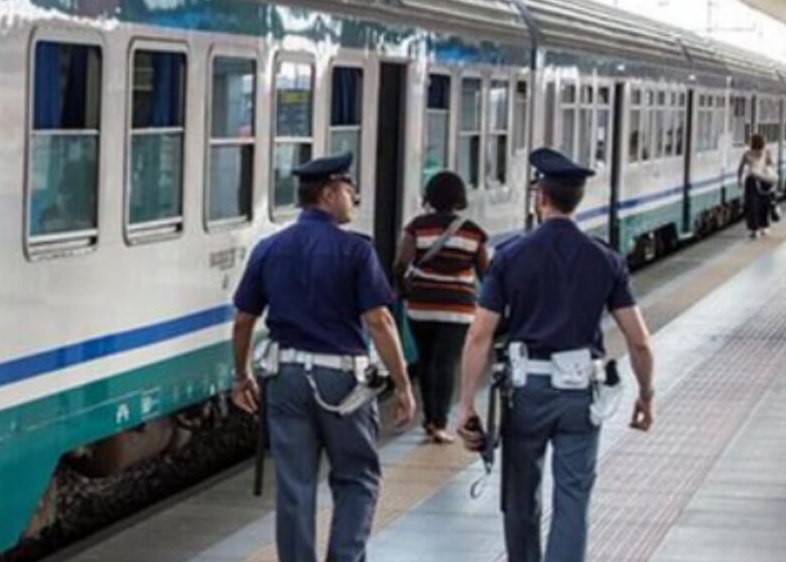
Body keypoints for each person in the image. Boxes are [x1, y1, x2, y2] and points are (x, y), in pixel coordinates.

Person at [455, 148, 657, 562]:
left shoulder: (511, 256)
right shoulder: (606, 259)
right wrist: (646, 394)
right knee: (573, 499)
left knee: (520, 494)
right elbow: (638, 340)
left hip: (526, 391)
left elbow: (479, 335)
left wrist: (465, 405)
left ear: (540, 197)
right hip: (581, 393)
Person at [230, 152, 416, 562]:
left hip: (287, 377)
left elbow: (243, 320)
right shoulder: (356, 251)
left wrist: (240, 376)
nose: (354, 198)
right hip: (342, 383)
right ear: (330, 194)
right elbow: (381, 321)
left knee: (294, 484)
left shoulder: (268, 248)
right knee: (356, 477)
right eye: (350, 190)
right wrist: (402, 384)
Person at [393, 171, 489, 445]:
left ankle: (428, 419)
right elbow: (486, 273)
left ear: (430, 197)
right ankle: (440, 423)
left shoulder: (417, 226)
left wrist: (403, 289)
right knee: (446, 362)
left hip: (421, 304)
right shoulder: (474, 232)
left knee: (426, 361)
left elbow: (401, 263)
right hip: (458, 309)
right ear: (460, 197)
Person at [739, 134, 778, 238]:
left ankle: (754, 230)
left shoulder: (747, 153)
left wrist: (739, 180)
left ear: (752, 142)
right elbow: (772, 166)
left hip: (751, 181)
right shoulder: (767, 152)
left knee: (752, 206)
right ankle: (764, 227)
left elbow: (741, 168)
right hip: (764, 182)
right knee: (764, 205)